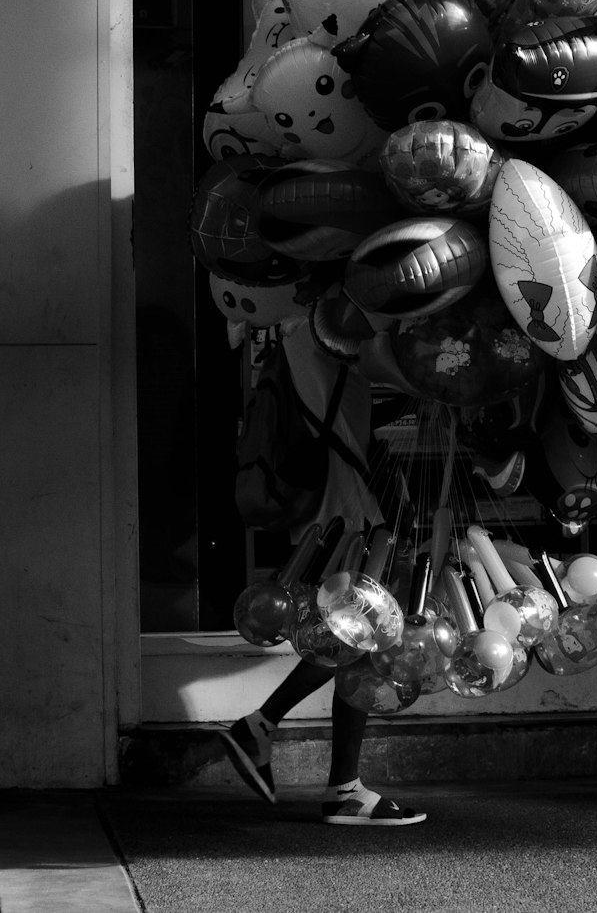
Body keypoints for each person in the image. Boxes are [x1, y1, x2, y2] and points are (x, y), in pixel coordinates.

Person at [219, 313, 427, 826]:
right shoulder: (318, 333)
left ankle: (340, 784)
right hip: (344, 505)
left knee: (354, 641)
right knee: (355, 634)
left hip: (332, 501)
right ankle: (270, 730)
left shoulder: (301, 339)